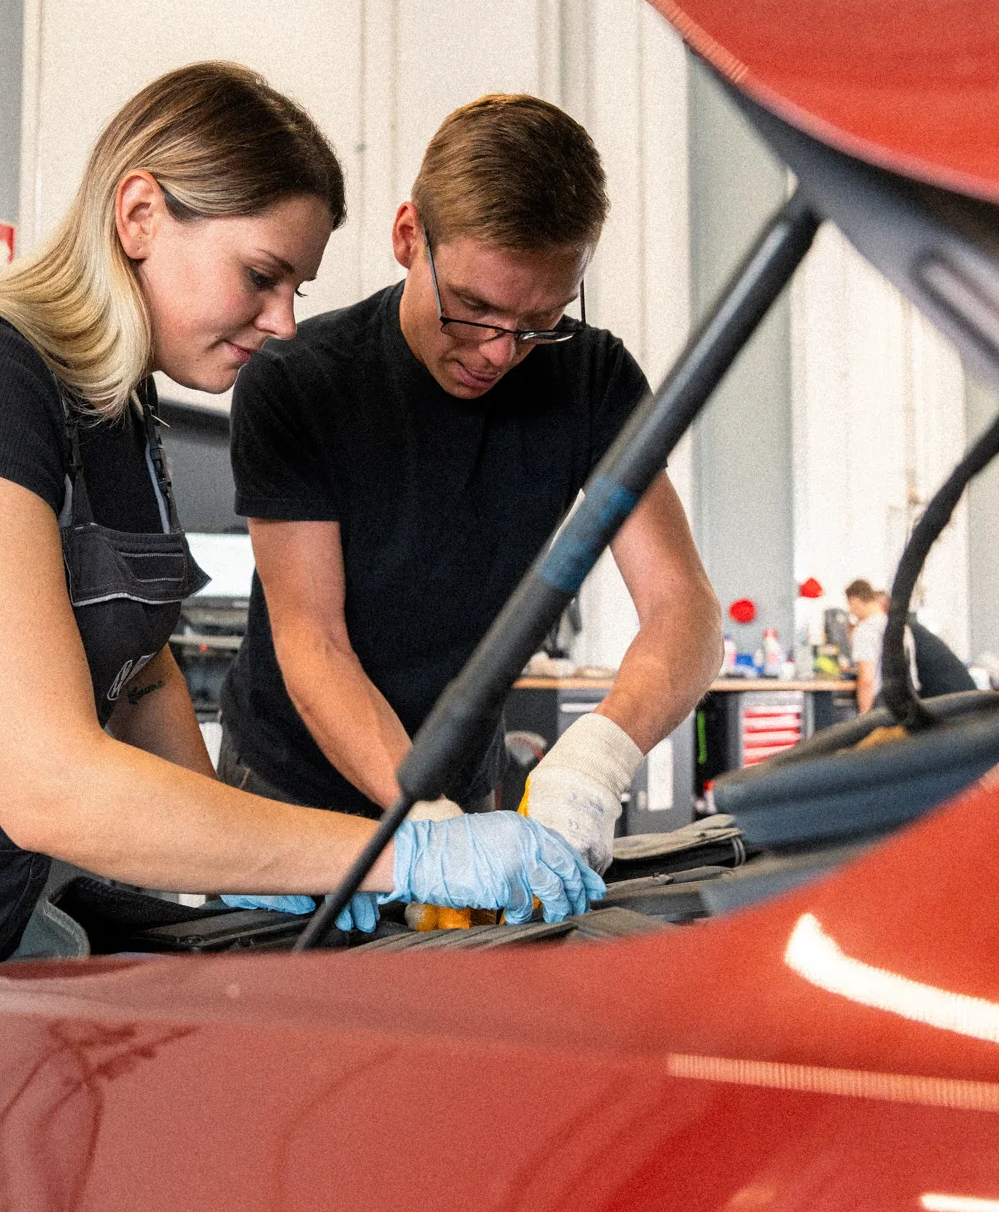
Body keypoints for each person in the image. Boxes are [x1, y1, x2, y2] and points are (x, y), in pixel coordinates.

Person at [0, 64, 609, 1126]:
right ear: (139, 211)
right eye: (260, 275)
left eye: (298, 289)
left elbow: (136, 663)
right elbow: (47, 783)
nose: (283, 322)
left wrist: (226, 856)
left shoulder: (117, 413)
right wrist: (400, 851)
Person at [217, 95, 723, 878]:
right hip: (290, 796)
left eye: (537, 320)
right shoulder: (299, 381)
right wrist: (423, 823)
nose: (497, 352)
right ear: (408, 237)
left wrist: (596, 758)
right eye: (475, 307)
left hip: (464, 795)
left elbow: (683, 609)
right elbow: (312, 641)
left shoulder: (588, 378)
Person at [844, 578, 970, 710]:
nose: (850, 611)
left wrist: (864, 718)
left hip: (882, 705)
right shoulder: (902, 627)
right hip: (908, 701)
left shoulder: (865, 629)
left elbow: (867, 679)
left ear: (855, 601)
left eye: (850, 605)